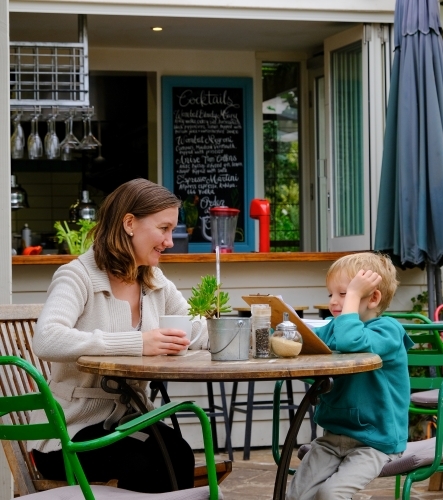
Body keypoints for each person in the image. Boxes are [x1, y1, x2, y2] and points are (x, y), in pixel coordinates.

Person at [28, 179, 208, 493]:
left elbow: (195, 328)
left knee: (177, 453)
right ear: (129, 223)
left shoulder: (153, 279)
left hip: (128, 424)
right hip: (69, 433)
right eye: (163, 229)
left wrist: (249, 334)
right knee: (148, 464)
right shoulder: (78, 276)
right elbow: (47, 338)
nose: (169, 241)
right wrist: (139, 343)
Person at [286, 252, 414, 500]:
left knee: (330, 494)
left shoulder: (388, 331)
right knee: (297, 495)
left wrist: (353, 298)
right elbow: (310, 352)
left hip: (375, 441)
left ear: (373, 297)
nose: (334, 302)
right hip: (333, 436)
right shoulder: (334, 327)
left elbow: (352, 342)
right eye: (330, 294)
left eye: (344, 294)